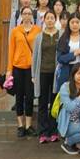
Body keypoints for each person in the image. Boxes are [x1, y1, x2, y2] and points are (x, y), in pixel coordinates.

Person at [6, 6, 41, 137]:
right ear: (21, 16)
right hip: (18, 67)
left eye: (29, 13)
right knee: (19, 96)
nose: (27, 15)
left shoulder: (37, 30)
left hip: (31, 68)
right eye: (24, 13)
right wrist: (9, 70)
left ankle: (28, 125)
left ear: (32, 16)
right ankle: (20, 125)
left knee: (30, 96)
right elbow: (11, 51)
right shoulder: (15, 31)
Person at [32, 10, 59, 143]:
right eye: (47, 18)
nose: (50, 20)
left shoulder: (60, 35)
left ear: (55, 20)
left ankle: (53, 131)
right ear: (44, 20)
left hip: (56, 74)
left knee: (54, 103)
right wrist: (33, 75)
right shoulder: (39, 37)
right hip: (42, 72)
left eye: (52, 18)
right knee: (42, 102)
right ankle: (43, 132)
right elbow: (35, 56)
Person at [58, 63, 80, 155]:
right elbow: (70, 108)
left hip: (79, 122)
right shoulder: (65, 87)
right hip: (68, 123)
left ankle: (76, 140)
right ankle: (68, 142)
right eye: (78, 73)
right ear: (73, 75)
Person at [55, 13, 80, 92]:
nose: (75, 25)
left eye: (77, 22)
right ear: (69, 24)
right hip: (66, 71)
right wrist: (74, 54)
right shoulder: (64, 38)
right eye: (72, 22)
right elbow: (59, 58)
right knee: (66, 94)